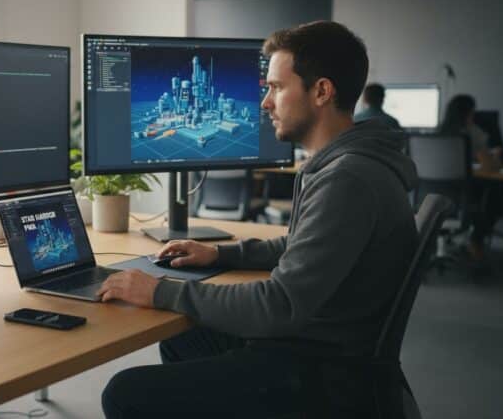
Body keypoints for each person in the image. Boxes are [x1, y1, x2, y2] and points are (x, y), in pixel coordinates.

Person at [98, 21, 419, 418]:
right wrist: (220, 255)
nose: (265, 102)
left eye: (276, 88)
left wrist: (160, 291)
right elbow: (300, 246)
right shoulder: (346, 163)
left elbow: (279, 304)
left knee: (124, 392)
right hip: (327, 344)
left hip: (324, 371)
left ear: (321, 91)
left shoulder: (347, 178)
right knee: (185, 342)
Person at [439, 94, 503, 261]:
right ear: (469, 113)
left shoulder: (437, 133)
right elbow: (490, 166)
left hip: (434, 197)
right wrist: (496, 156)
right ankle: (476, 240)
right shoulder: (470, 133)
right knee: (497, 192)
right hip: (462, 197)